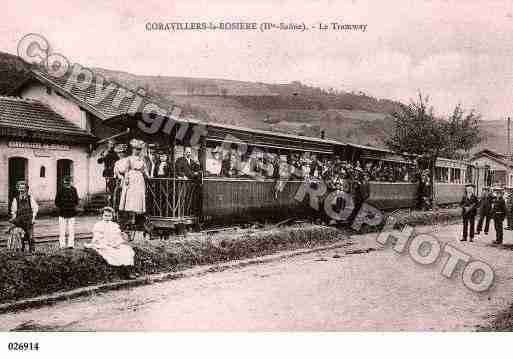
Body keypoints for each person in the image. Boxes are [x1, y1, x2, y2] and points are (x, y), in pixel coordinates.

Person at [85, 207, 137, 279]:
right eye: (105, 215)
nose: (107, 217)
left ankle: (130, 270)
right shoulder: (98, 225)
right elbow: (98, 238)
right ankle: (126, 273)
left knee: (126, 250)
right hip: (102, 244)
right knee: (112, 252)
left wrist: (116, 243)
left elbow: (117, 237)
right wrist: (108, 244)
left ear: (112, 216)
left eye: (109, 216)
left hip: (113, 244)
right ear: (102, 216)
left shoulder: (114, 225)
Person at [118, 139, 149, 224]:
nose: (137, 151)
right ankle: (130, 217)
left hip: (139, 178)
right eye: (136, 149)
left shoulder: (141, 159)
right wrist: (127, 179)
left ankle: (137, 217)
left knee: (138, 196)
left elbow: (144, 169)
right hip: (131, 177)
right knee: (131, 196)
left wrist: (148, 176)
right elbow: (126, 170)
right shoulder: (129, 159)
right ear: (133, 149)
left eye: (139, 149)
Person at [10, 181, 39, 252]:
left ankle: (32, 251)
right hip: (19, 221)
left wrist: (33, 218)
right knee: (20, 237)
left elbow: (35, 208)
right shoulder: (15, 199)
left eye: (23, 188)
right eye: (20, 188)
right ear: (18, 189)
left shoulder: (30, 198)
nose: (22, 190)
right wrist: (14, 220)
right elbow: (14, 211)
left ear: (26, 189)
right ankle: (21, 250)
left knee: (31, 237)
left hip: (29, 221)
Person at [54, 176, 80, 249]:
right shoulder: (60, 190)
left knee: (71, 230)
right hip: (62, 213)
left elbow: (76, 200)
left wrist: (73, 206)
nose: (67, 183)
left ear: (71, 182)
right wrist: (62, 207)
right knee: (62, 230)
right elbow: (56, 201)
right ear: (64, 182)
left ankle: (71, 244)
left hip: (72, 213)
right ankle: (62, 244)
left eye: (69, 182)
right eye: (66, 182)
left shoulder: (74, 190)